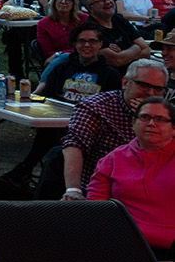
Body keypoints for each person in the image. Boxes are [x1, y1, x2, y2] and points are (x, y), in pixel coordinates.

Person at [54, 60, 170, 202]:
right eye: (143, 85)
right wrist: (73, 189)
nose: (150, 93)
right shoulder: (96, 107)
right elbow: (74, 145)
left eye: (157, 89)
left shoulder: (167, 113)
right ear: (125, 83)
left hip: (157, 192)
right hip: (107, 194)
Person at [87, 97, 175, 254]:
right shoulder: (113, 159)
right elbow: (96, 206)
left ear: (173, 128)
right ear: (133, 123)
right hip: (123, 242)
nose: (151, 124)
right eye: (144, 117)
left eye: (160, 119)